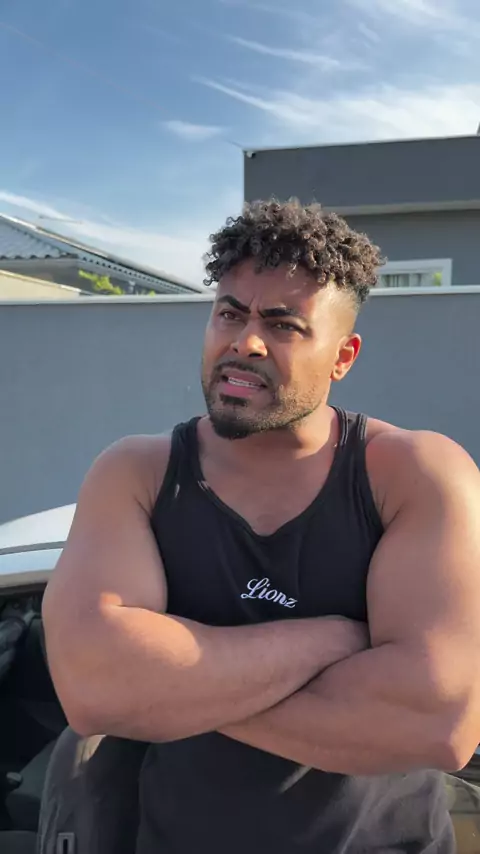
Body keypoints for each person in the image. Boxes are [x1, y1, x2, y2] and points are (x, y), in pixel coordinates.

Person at [42, 199, 480, 854]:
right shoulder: (138, 474)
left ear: (343, 356)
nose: (245, 342)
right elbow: (95, 688)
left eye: (283, 325)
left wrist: (165, 687)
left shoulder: (412, 474)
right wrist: (335, 639)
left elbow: (438, 723)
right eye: (230, 314)